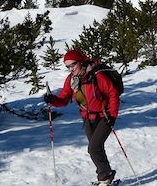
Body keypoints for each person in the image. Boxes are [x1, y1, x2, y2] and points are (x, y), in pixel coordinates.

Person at [44, 49, 120, 185]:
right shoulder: (71, 80)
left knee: (94, 148)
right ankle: (105, 175)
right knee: (96, 148)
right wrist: (52, 99)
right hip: (87, 118)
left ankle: (105, 177)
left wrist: (112, 114)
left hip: (105, 116)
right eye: (67, 66)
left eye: (72, 65)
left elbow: (112, 93)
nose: (70, 69)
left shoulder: (97, 75)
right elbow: (64, 99)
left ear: (81, 62)